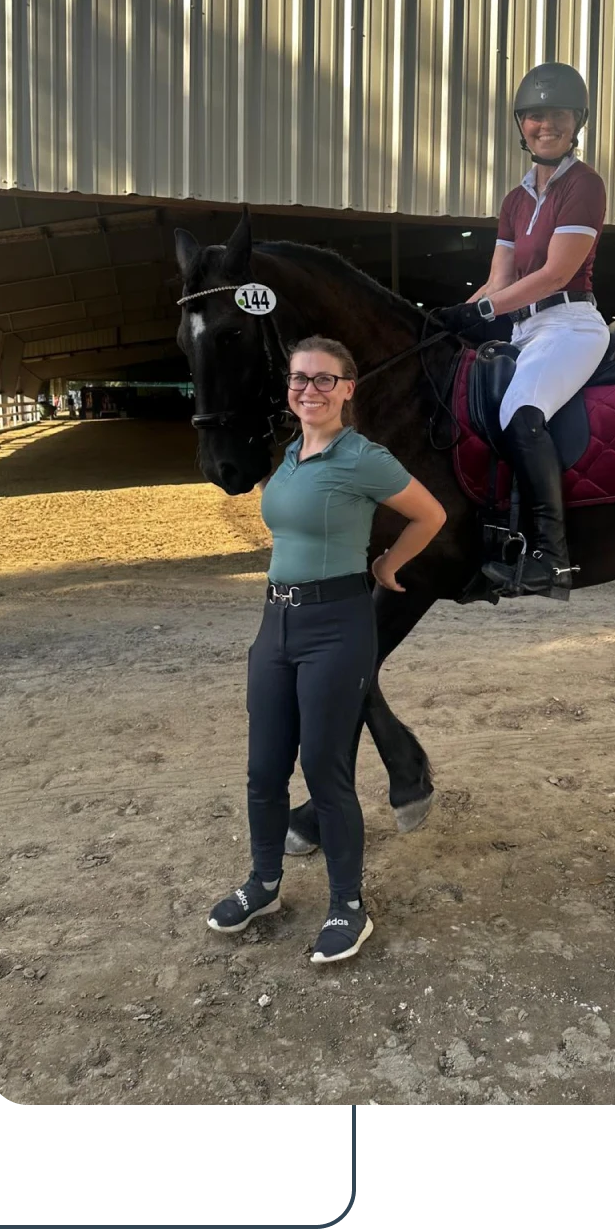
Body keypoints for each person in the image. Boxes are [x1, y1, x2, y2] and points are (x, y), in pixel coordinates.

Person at [206, 337, 447, 963]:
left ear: (348, 387)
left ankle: (348, 904)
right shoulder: (289, 455)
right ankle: (263, 884)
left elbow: (431, 515)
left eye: (323, 380)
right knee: (263, 770)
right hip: (275, 624)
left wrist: (389, 563)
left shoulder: (363, 457)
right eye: (299, 379)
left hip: (337, 625)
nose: (308, 389)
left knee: (324, 768)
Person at [431, 62, 608, 601]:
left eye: (556, 115)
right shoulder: (514, 199)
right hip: (528, 331)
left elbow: (554, 273)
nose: (544, 124)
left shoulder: (584, 185)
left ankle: (550, 557)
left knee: (519, 413)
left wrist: (484, 315)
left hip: (571, 324)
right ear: (521, 125)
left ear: (576, 122)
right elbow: (498, 281)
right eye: (534, 116)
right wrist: (448, 317)